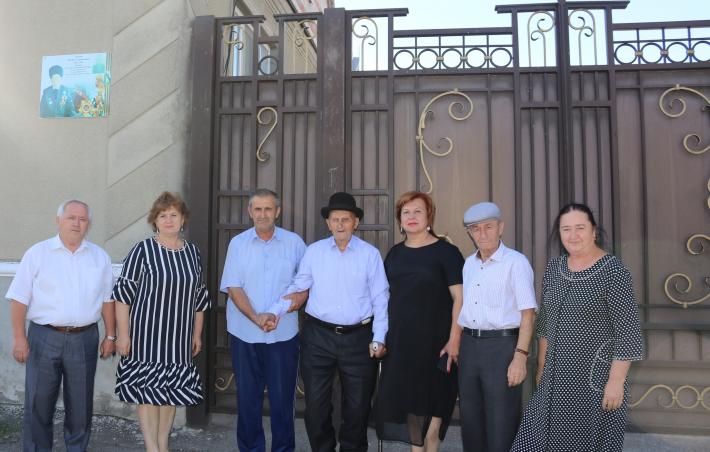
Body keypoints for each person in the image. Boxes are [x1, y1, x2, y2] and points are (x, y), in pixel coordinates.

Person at [511, 203, 644, 452]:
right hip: (554, 379)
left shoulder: (614, 272)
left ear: (594, 231)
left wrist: (616, 382)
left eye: (580, 228)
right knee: (531, 443)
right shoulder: (554, 268)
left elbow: (628, 333)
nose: (573, 235)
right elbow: (545, 322)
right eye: (566, 229)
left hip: (595, 381)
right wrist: (542, 367)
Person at [265, 192, 389, 452]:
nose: (340, 224)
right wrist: (275, 312)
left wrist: (378, 337)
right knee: (316, 406)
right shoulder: (315, 252)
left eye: (346, 219)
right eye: (335, 219)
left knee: (358, 407)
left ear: (356, 222)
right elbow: (298, 287)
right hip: (318, 338)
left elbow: (380, 299)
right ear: (328, 223)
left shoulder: (370, 255)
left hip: (359, 339)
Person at [6, 199, 116, 451]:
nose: (77, 223)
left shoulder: (99, 257)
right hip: (44, 337)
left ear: (88, 224)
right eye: (71, 218)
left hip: (84, 339)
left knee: (80, 405)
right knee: (38, 402)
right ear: (58, 221)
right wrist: (19, 338)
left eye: (82, 219)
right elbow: (19, 299)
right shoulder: (37, 253)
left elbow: (107, 299)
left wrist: (110, 335)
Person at [113, 192, 210, 452]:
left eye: (173, 215)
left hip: (179, 338)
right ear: (154, 220)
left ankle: (163, 445)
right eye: (162, 215)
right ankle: (151, 447)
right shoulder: (142, 250)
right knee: (148, 393)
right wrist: (123, 334)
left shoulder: (192, 253)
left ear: (183, 219)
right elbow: (122, 296)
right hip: (146, 337)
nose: (168, 220)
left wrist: (196, 334)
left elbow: (199, 298)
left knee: (170, 393)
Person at [374, 191, 464, 451]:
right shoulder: (394, 254)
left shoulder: (447, 252)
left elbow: (460, 298)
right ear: (400, 220)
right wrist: (380, 338)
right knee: (413, 419)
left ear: (429, 217)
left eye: (418, 211)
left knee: (433, 424)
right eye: (406, 212)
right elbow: (383, 299)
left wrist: (454, 339)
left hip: (437, 347)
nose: (411, 216)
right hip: (402, 347)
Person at [220, 189, 307, 452]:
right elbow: (233, 287)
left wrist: (278, 312)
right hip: (245, 333)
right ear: (250, 212)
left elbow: (304, 286)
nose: (262, 214)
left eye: (268, 209)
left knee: (282, 401)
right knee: (248, 400)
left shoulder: (294, 243)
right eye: (257, 209)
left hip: (283, 335)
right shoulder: (238, 244)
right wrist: (256, 317)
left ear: (277, 212)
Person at [457, 201, 537, 452]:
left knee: (501, 422)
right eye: (475, 229)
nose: (482, 234)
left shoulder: (516, 262)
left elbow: (528, 315)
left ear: (501, 228)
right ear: (470, 233)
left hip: (502, 348)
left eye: (488, 227)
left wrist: (520, 356)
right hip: (470, 346)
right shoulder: (469, 264)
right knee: (471, 420)